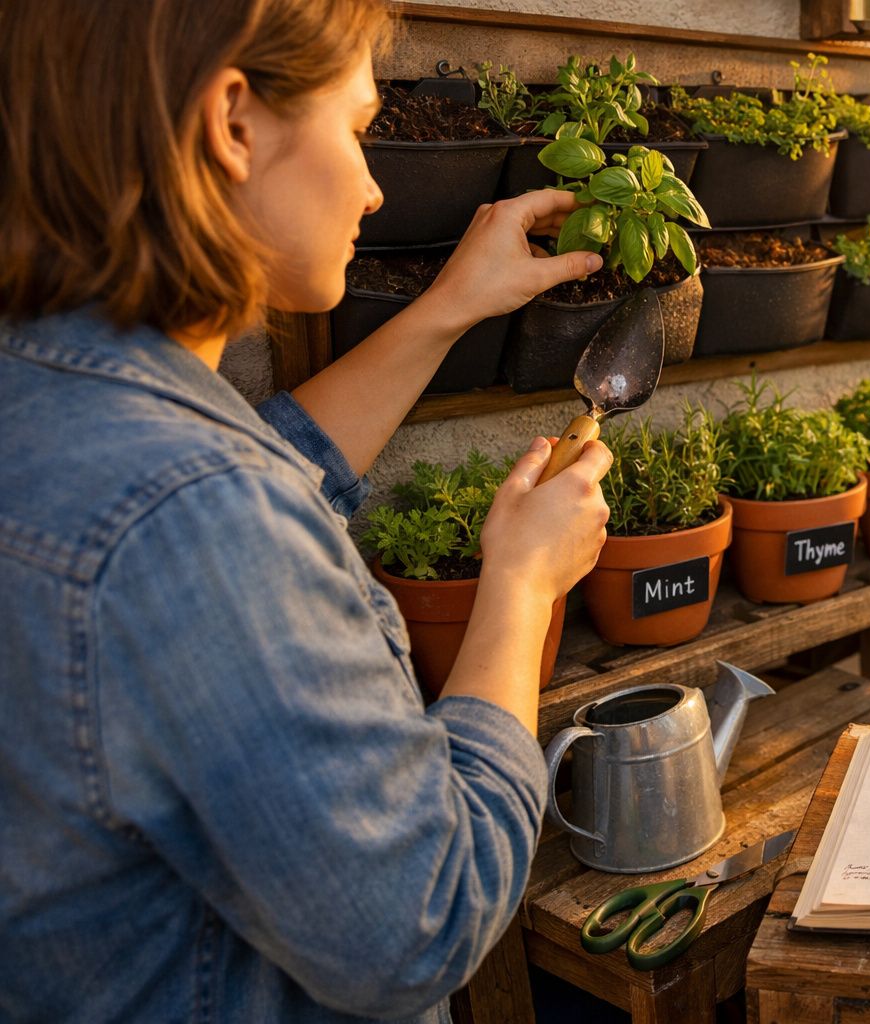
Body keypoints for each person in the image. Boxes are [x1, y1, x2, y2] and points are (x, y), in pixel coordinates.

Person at [0, 1, 614, 1020]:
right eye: (360, 126)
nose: (374, 188)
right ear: (233, 123)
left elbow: (257, 470)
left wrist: (448, 306)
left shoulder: (52, 392)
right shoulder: (194, 518)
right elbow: (425, 918)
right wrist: (520, 587)